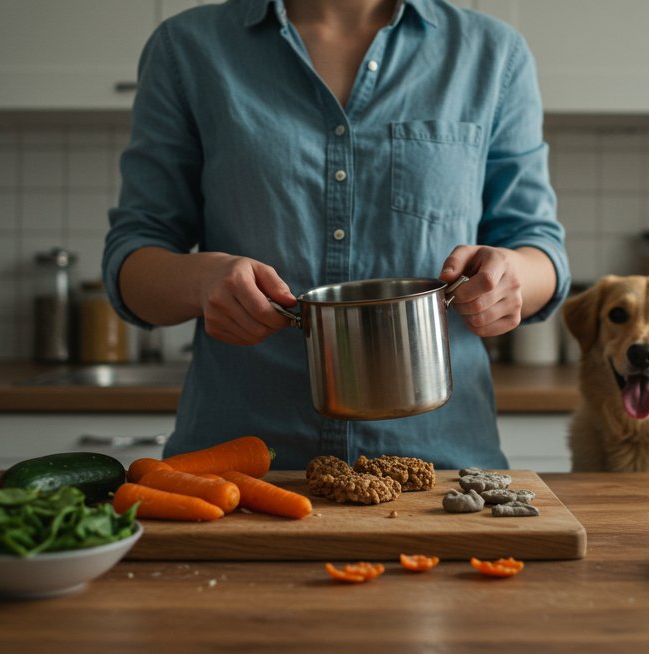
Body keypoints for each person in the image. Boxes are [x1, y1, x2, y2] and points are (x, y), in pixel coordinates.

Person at [104, 0, 570, 470]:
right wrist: (201, 282)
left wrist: (511, 277)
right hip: (237, 477)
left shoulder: (491, 53)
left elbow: (539, 248)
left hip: (444, 473)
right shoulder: (187, 48)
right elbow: (133, 261)